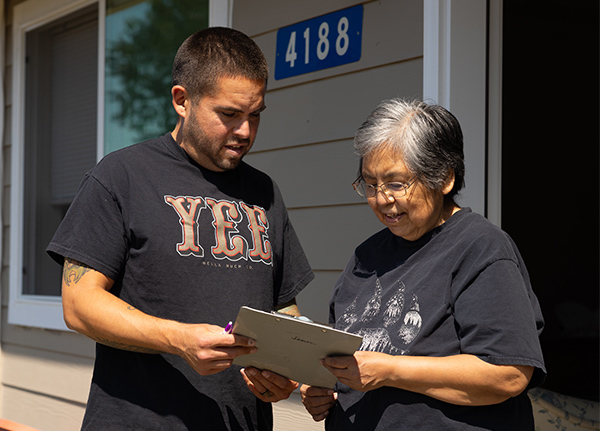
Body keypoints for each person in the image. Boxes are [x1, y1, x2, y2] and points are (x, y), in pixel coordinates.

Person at [47, 27, 314, 431]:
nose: (245, 131)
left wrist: (285, 371)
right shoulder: (122, 176)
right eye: (229, 114)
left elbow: (283, 306)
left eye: (255, 114)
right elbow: (79, 304)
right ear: (182, 100)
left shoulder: (265, 192)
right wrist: (179, 340)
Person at [300, 98, 546, 430]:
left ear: (444, 178)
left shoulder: (480, 248)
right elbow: (349, 360)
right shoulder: (365, 257)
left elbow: (508, 374)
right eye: (370, 184)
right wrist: (325, 389)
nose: (382, 199)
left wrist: (390, 370)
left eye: (396, 184)